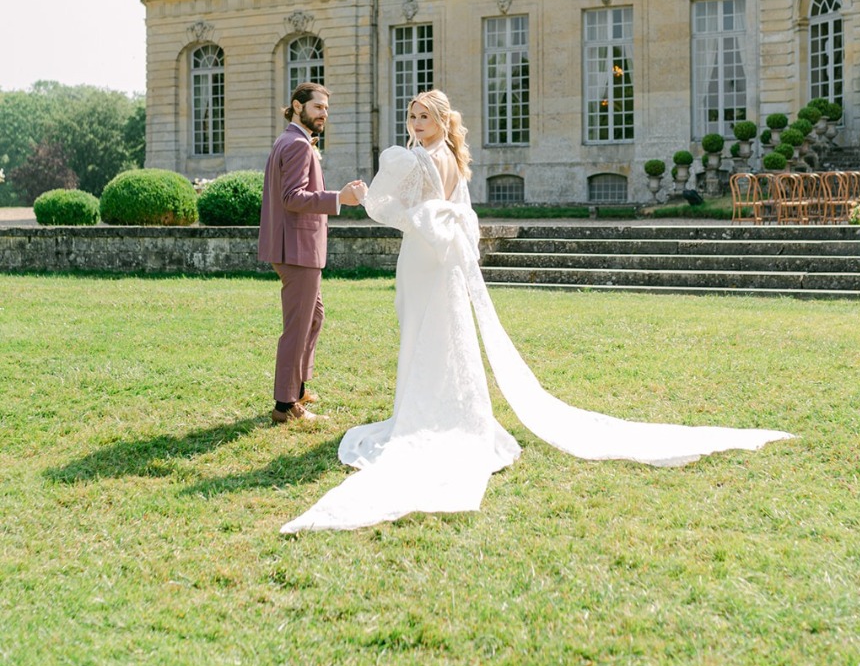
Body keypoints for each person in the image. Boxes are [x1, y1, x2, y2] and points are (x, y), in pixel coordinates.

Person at [280, 91, 793, 531]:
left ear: (441, 123)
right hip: (445, 260)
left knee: (424, 333)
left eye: (423, 118)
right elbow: (453, 212)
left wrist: (370, 198)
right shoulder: (455, 161)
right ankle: (443, 411)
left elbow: (389, 209)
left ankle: (420, 417)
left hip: (423, 258)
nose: (414, 125)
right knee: (445, 335)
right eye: (412, 117)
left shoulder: (412, 160)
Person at [258, 82, 363, 425]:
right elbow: (292, 197)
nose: (324, 114)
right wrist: (338, 198)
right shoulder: (298, 145)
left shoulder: (289, 139)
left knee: (313, 318)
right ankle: (285, 406)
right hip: (298, 249)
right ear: (297, 105)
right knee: (297, 328)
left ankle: (298, 387)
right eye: (318, 107)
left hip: (293, 246)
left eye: (327, 109)